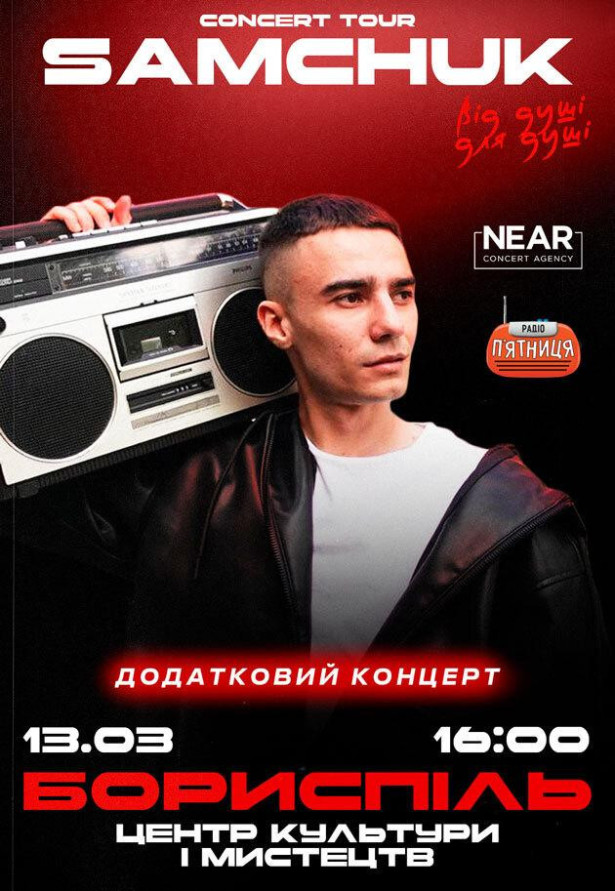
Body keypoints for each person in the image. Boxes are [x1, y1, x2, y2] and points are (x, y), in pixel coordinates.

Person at [33, 192, 606, 704]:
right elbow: (33, 504)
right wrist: (54, 265)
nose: (390, 324)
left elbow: (568, 722)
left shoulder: (511, 509)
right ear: (276, 324)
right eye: (350, 298)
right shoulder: (201, 486)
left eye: (402, 294)